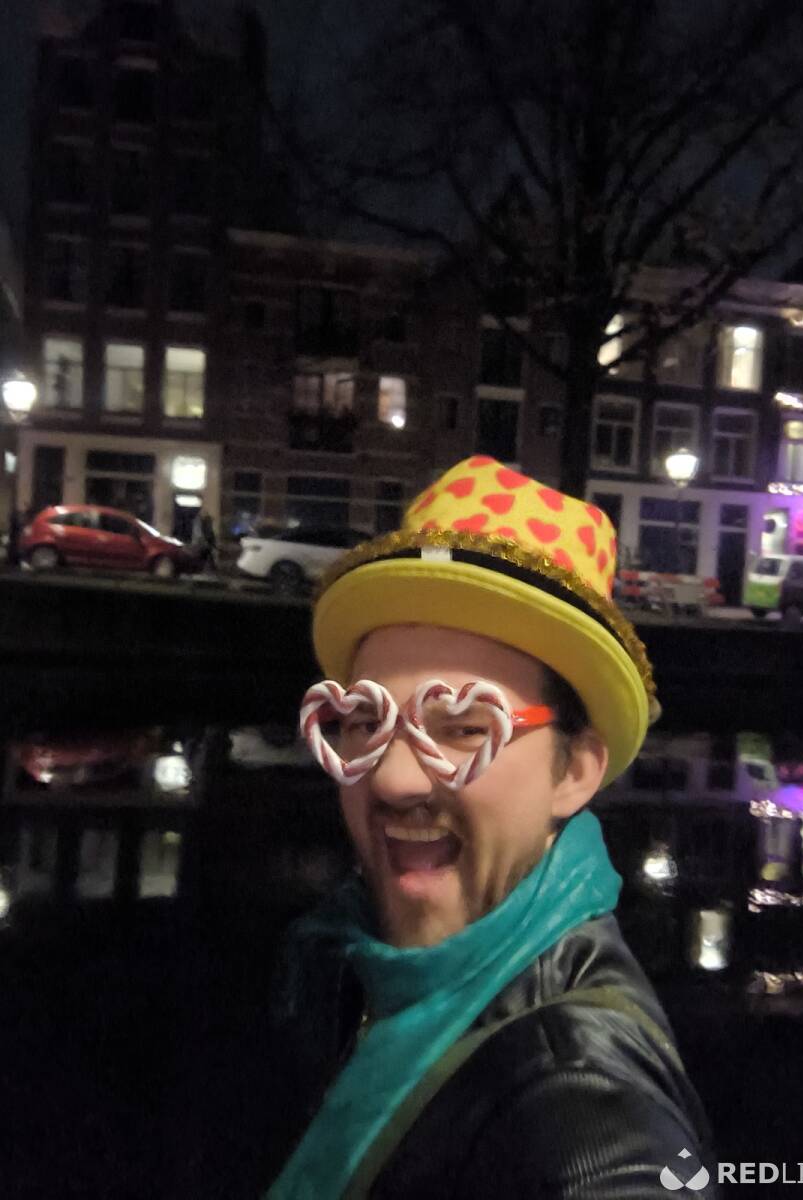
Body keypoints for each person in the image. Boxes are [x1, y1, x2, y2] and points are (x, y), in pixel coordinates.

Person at [266, 456, 718, 1199]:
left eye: (465, 727)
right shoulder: (344, 960)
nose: (393, 778)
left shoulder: (577, 1092)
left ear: (575, 773)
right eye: (365, 721)